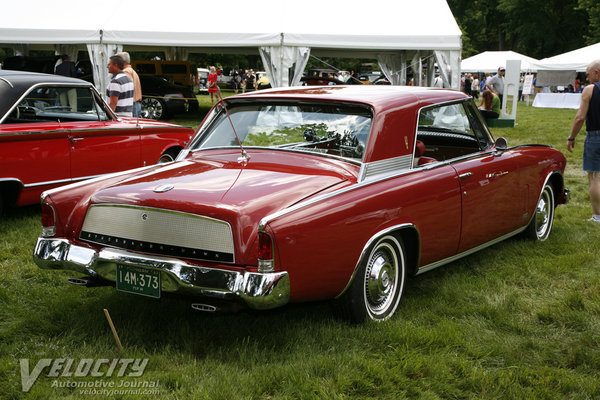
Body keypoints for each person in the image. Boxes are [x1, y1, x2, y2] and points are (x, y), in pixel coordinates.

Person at [567, 59, 600, 224]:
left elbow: (580, 117)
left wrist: (571, 137)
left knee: (595, 177)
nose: (586, 78)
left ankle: (597, 216)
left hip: (595, 136)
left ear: (597, 72)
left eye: (588, 75)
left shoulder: (590, 90)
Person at [117, 52, 142, 118]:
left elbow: (126, 89)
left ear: (124, 62)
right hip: (135, 104)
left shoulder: (126, 72)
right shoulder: (131, 71)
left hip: (131, 106)